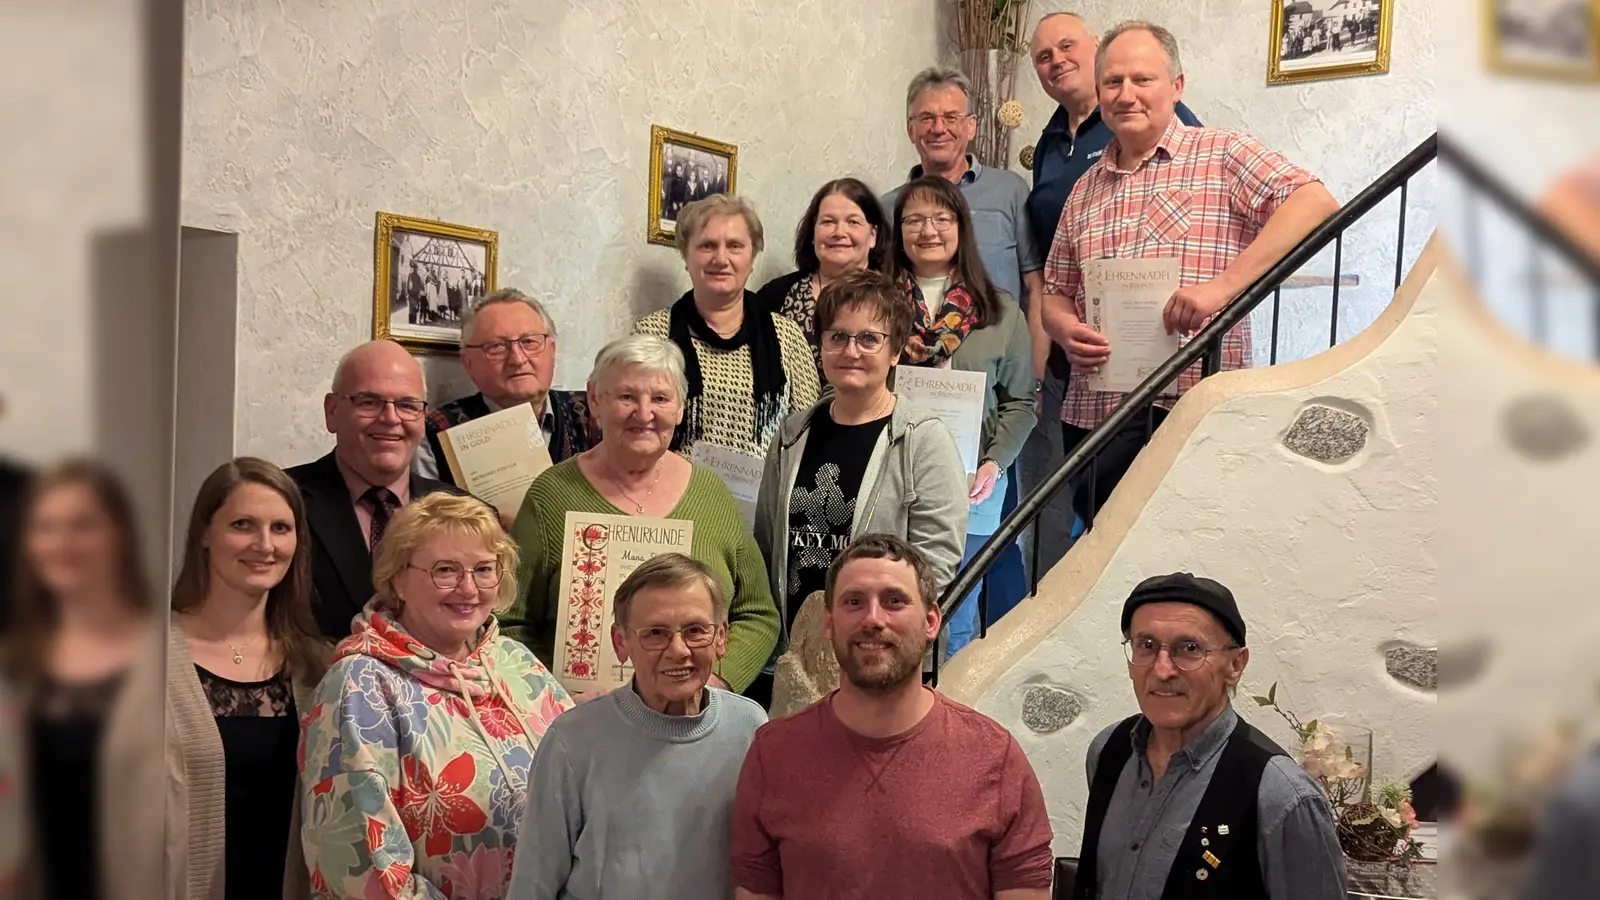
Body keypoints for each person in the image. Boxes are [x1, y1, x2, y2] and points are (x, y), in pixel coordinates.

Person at [1041, 21, 1339, 527]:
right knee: (1101, 560)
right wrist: (1064, 328)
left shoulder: (1222, 152)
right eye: (1112, 83)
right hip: (1099, 415)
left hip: (1196, 404)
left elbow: (1316, 204)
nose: (1126, 94)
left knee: (1195, 552)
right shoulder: (1084, 188)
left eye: (1143, 79)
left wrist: (1220, 290)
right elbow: (1054, 291)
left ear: (1177, 86)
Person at [729, 534, 1054, 899]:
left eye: (894, 601)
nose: (873, 619)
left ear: (931, 621)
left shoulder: (994, 758)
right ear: (829, 624)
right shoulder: (774, 754)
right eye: (854, 602)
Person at [299, 492, 573, 899]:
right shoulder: (359, 687)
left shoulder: (515, 662)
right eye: (446, 570)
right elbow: (361, 873)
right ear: (397, 579)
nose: (468, 588)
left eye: (484, 569)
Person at [1022, 11, 1203, 570]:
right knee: (1091, 516)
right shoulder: (1055, 146)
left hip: (1168, 369)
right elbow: (1050, 268)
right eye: (1043, 56)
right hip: (1084, 359)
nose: (1056, 62)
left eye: (1067, 47)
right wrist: (1055, 327)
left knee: (1160, 533)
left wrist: (1217, 290)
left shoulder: (1189, 140)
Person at [507, 334, 781, 695]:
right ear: (594, 400)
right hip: (583, 721)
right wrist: (553, 694)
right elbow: (510, 622)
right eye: (626, 397)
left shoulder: (710, 494)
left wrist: (717, 679)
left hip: (692, 716)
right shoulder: (552, 495)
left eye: (661, 398)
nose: (644, 413)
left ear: (681, 408)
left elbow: (758, 612)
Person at [753, 269, 969, 711]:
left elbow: (937, 563)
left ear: (894, 352)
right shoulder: (793, 434)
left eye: (869, 339)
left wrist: (872, 623)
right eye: (837, 337)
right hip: (797, 656)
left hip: (880, 656)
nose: (851, 351)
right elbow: (766, 538)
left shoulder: (923, 440)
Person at [506, 553, 767, 900]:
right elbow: (533, 884)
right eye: (655, 634)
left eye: (695, 631)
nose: (678, 650)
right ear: (620, 642)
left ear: (721, 638)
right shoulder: (572, 741)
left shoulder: (751, 729)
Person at [1074, 573, 1345, 900]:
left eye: (1189, 648)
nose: (1162, 670)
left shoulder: (1281, 797)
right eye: (1146, 646)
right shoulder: (1109, 751)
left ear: (1235, 664)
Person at [166, 457, 331, 900]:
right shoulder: (145, 661)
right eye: (243, 524)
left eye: (281, 528)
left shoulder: (322, 668)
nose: (265, 544)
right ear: (204, 533)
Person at [886, 176, 1036, 658]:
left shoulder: (1001, 312)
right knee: (889, 609)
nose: (928, 229)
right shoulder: (876, 304)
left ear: (960, 228)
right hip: (892, 478)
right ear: (898, 231)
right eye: (914, 219)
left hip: (973, 486)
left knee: (956, 617)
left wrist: (996, 464)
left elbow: (1021, 403)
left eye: (941, 218)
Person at [1, 461, 159, 900]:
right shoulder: (13, 665)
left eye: (82, 525)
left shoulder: (171, 658)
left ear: (120, 534)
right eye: (45, 527)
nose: (61, 544)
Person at [287, 339, 459, 640]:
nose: (391, 418)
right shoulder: (283, 503)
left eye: (407, 405)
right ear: (332, 411)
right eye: (369, 402)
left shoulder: (461, 512)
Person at [634, 194, 820, 458]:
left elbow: (808, 434)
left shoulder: (787, 337)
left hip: (764, 496)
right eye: (707, 246)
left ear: (752, 258)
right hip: (680, 493)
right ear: (686, 256)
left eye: (734, 246)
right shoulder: (652, 334)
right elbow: (637, 430)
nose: (721, 259)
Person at [415, 289, 596, 486]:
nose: (517, 359)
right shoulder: (437, 434)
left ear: (552, 351)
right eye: (497, 346)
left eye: (529, 342)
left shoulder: (597, 411)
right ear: (468, 363)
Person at [754, 178, 888, 378]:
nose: (839, 232)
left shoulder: (895, 298)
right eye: (828, 222)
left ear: (873, 236)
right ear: (812, 233)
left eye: (853, 222)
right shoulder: (775, 296)